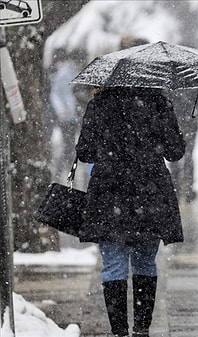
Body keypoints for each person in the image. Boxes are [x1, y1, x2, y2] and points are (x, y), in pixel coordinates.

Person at [76, 86, 186, 337]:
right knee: (145, 262)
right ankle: (142, 329)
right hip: (150, 194)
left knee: (113, 265)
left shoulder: (100, 103)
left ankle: (119, 331)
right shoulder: (158, 101)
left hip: (109, 192)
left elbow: (84, 152)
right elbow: (175, 151)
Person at [48, 48, 82, 182]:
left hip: (71, 115)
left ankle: (65, 172)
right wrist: (61, 108)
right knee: (68, 146)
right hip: (68, 116)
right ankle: (64, 174)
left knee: (70, 145)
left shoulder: (70, 71)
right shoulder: (65, 73)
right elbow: (55, 93)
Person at [170, 88, 198, 203]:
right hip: (178, 120)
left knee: (185, 156)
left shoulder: (193, 80)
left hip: (186, 121)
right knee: (181, 156)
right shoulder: (195, 79)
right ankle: (180, 187)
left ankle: (184, 188)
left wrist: (196, 111)